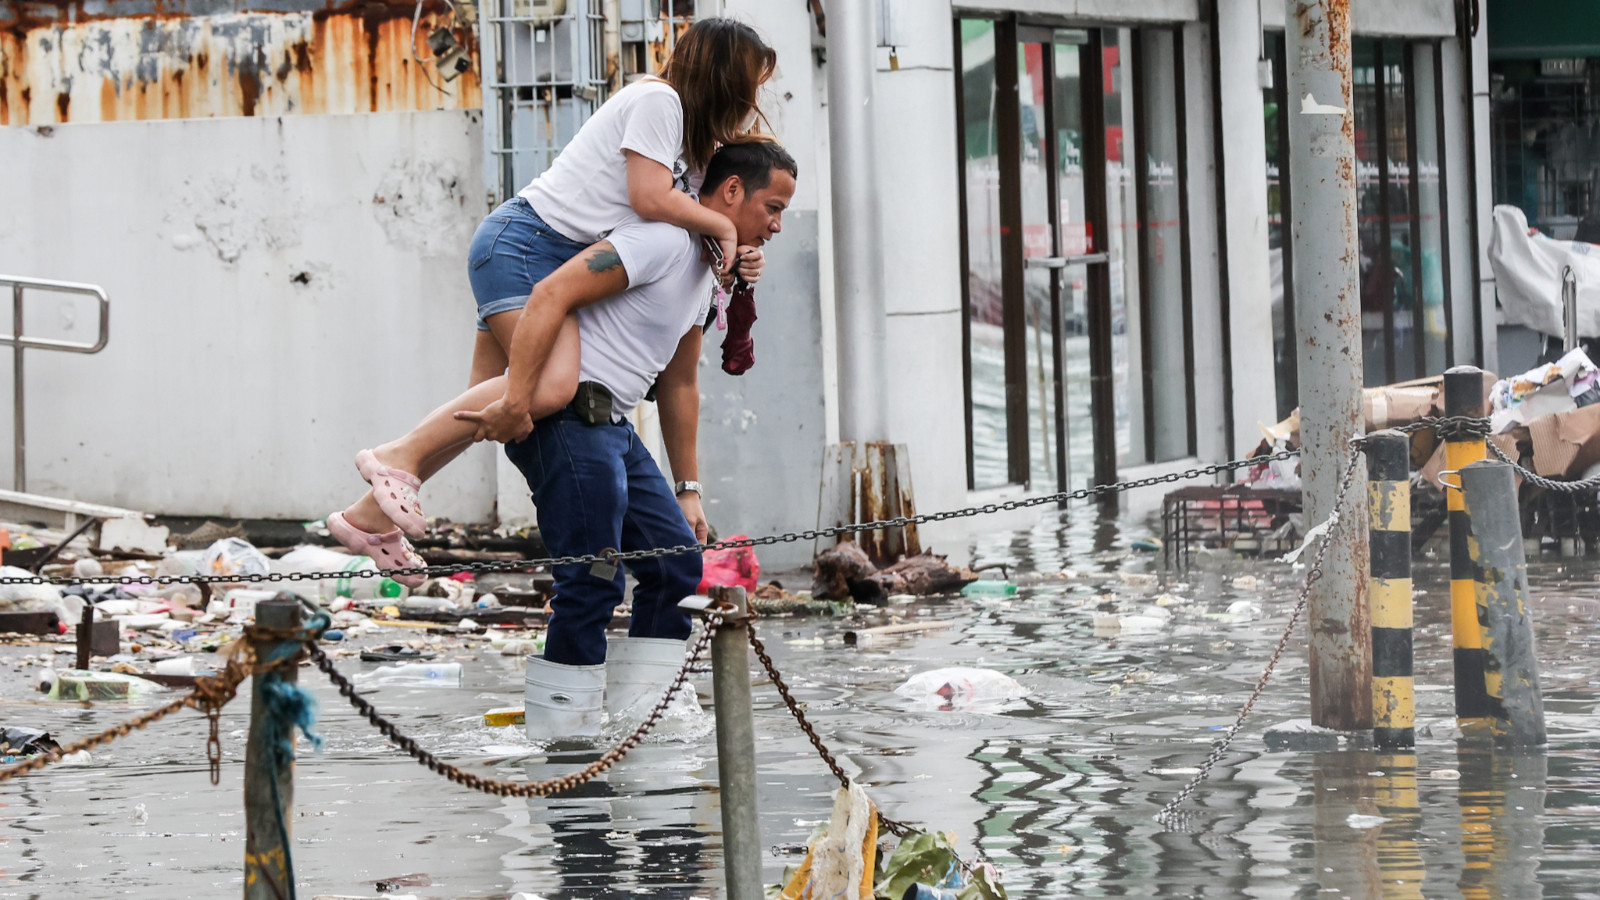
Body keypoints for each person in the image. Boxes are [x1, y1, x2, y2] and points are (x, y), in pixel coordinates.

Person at [325, 18, 776, 580]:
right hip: (527, 242)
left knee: (481, 408)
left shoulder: (695, 148)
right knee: (551, 385)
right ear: (725, 76)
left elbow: (693, 215)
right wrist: (724, 228)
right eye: (751, 83)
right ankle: (395, 459)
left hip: (547, 254)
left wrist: (737, 253)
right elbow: (648, 196)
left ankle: (366, 517)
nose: (753, 98)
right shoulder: (659, 102)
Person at [455, 140, 796, 740]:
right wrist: (514, 396)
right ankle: (565, 745)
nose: (775, 225)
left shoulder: (707, 273)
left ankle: (646, 721)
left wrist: (688, 490)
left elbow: (681, 381)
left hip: (610, 425)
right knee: (591, 577)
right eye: (772, 206)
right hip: (566, 417)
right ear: (733, 191)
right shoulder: (659, 239)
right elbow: (550, 293)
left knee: (674, 564)